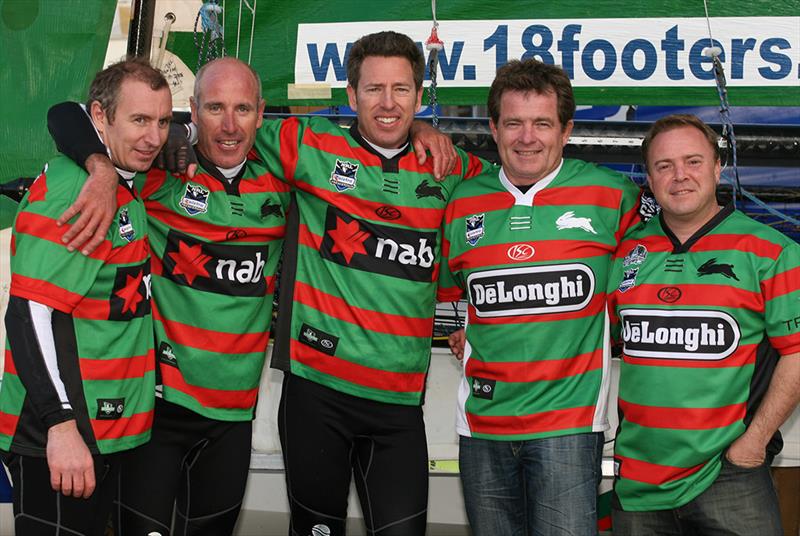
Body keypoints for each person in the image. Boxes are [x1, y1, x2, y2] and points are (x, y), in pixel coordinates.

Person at [47, 32, 473, 536]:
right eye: (215, 108)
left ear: (261, 113)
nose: (230, 125)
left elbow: (505, 178)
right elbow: (68, 114)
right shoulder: (170, 169)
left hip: (294, 411)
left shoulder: (434, 168)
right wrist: (103, 167)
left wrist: (427, 130)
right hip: (173, 404)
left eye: (401, 90)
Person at [438, 58, 642, 535]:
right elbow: (452, 300)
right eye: (514, 123)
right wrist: (461, 327)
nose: (526, 137)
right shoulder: (464, 202)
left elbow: (643, 285)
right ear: (493, 127)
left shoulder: (612, 195)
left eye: (542, 124)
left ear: (566, 129)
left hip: (569, 429)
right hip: (481, 427)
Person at [0, 58, 170, 535]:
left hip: (109, 433)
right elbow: (28, 313)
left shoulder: (119, 180)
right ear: (99, 118)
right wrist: (59, 426)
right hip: (61, 437)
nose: (153, 137)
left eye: (162, 122)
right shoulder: (76, 193)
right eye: (139, 120)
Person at [607, 114, 800, 534]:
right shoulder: (625, 256)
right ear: (649, 177)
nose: (680, 176)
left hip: (729, 475)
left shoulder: (770, 251)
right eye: (664, 166)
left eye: (693, 162)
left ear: (718, 167)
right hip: (639, 482)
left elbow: (797, 353)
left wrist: (752, 444)